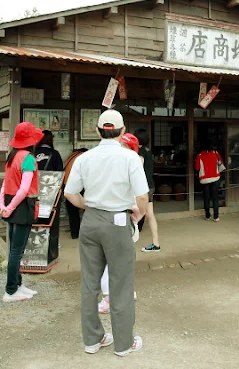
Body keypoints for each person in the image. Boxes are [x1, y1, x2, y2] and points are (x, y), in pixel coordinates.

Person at [64, 109, 149, 357]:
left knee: (90, 283)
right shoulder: (129, 158)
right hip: (118, 221)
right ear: (122, 132)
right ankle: (124, 343)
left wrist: (87, 206)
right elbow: (142, 196)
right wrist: (139, 214)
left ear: (97, 131)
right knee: (121, 283)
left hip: (90, 221)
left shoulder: (84, 158)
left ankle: (93, 339)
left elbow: (70, 193)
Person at [0, 122, 43, 302]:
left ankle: (18, 285)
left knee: (15, 249)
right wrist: (11, 208)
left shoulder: (12, 156)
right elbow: (24, 189)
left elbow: (5, 183)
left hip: (10, 201)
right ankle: (10, 290)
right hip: (22, 206)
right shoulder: (29, 158)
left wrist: (2, 203)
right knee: (17, 251)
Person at [98, 133, 141, 315]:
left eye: (122, 146)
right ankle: (126, 292)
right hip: (125, 219)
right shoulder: (130, 166)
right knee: (120, 260)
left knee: (108, 261)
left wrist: (135, 210)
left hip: (119, 219)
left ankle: (109, 298)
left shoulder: (126, 167)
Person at [134, 128, 160, 253]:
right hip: (150, 185)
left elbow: (139, 166)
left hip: (141, 187)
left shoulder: (141, 151)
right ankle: (156, 243)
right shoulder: (148, 150)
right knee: (149, 214)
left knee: (134, 213)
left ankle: (124, 242)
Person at [194, 142, 225, 222]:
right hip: (215, 177)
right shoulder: (215, 153)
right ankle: (216, 217)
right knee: (215, 198)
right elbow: (221, 162)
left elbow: (197, 168)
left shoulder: (200, 155)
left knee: (206, 198)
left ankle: (207, 215)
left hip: (205, 179)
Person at [61, 148, 88, 239]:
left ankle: (74, 233)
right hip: (81, 185)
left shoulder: (70, 157)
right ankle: (86, 234)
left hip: (68, 185)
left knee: (72, 212)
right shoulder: (84, 157)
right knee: (88, 210)